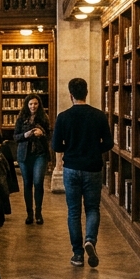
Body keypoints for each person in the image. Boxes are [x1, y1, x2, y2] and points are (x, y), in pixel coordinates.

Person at [52, 78, 114, 268]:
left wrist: (70, 148)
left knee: (73, 211)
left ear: (71, 95)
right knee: (93, 208)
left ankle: (77, 254)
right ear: (86, 93)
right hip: (93, 168)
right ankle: (90, 240)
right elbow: (109, 143)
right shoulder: (99, 116)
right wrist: (95, 149)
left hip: (71, 168)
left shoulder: (63, 117)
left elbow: (55, 145)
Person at [13, 94, 51, 225]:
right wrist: (26, 134)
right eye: (30, 104)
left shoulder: (44, 118)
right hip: (24, 155)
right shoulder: (21, 118)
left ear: (39, 104)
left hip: (40, 154)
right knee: (27, 183)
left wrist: (43, 134)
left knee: (38, 182)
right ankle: (29, 213)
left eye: (35, 104)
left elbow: (50, 135)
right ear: (27, 105)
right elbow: (16, 137)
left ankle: (38, 212)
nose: (33, 106)